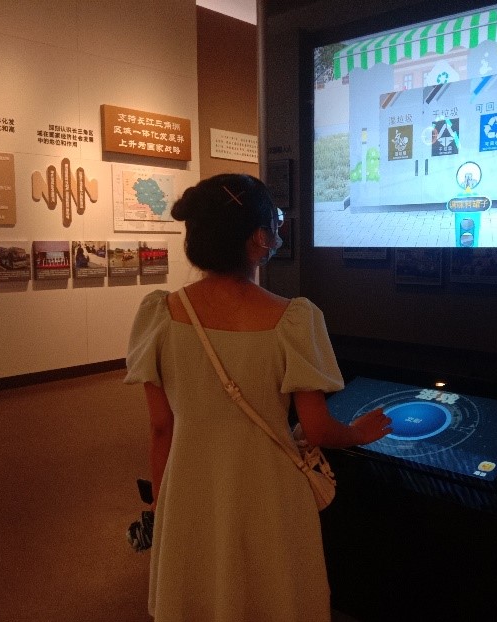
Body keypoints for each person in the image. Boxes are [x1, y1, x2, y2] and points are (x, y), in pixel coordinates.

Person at [124, 173, 392, 622]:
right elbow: (316, 429)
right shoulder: (295, 319)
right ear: (258, 238)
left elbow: (160, 426)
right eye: (275, 222)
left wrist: (160, 500)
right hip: (270, 489)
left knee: (199, 590)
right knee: (274, 591)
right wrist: (358, 433)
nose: (278, 232)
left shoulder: (159, 315)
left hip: (189, 485)